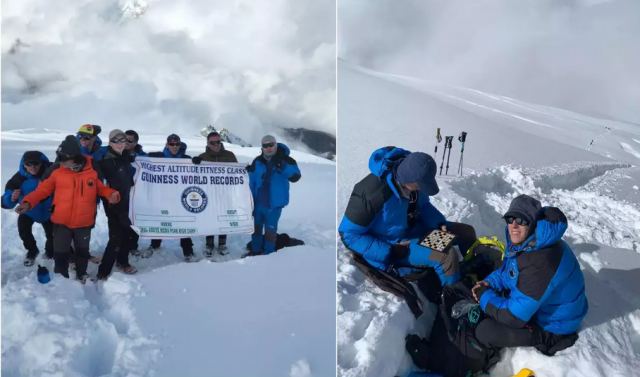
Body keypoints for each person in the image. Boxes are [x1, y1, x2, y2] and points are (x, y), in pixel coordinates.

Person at [338, 147, 477, 286]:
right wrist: (390, 252)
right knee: (445, 256)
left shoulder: (414, 178)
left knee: (466, 232)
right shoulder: (371, 195)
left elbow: (423, 206)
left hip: (419, 234)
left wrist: (439, 224)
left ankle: (475, 273)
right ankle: (454, 296)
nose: (421, 189)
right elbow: (348, 235)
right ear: (408, 180)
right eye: (419, 186)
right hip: (399, 246)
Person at [472, 194, 588, 353]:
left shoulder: (541, 261)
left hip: (555, 326)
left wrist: (483, 296)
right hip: (542, 305)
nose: (514, 225)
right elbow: (509, 272)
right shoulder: (529, 244)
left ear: (533, 224)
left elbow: (513, 317)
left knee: (485, 331)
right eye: (510, 219)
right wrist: (489, 283)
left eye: (521, 220)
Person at [15, 136, 120, 282]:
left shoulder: (92, 171)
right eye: (60, 158)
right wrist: (27, 202)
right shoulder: (57, 173)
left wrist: (111, 194)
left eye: (63, 159)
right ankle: (61, 278)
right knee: (60, 253)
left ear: (75, 157)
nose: (60, 162)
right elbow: (42, 191)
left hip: (84, 222)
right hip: (61, 222)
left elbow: (101, 188)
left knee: (82, 252)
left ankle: (81, 273)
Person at [144, 133, 196, 261]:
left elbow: (196, 172)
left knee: (183, 222)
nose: (174, 146)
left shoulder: (186, 158)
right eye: (172, 144)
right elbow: (140, 160)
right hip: (161, 195)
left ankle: (188, 251)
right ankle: (154, 245)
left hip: (179, 196)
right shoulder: (157, 156)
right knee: (160, 219)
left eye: (177, 144)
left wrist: (197, 163)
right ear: (167, 144)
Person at [246, 135, 301, 256]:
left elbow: (296, 176)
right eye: (265, 146)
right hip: (257, 203)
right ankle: (255, 251)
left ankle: (268, 253)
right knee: (256, 229)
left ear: (276, 145)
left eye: (271, 145)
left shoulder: (286, 160)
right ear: (262, 147)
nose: (269, 148)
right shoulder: (257, 161)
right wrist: (246, 171)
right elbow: (252, 179)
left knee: (270, 230)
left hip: (274, 204)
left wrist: (283, 167)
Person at [96, 129, 138, 279]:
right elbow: (102, 185)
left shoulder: (126, 158)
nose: (120, 144)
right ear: (110, 142)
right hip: (114, 206)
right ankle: (103, 271)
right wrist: (110, 201)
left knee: (127, 234)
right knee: (116, 238)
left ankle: (123, 262)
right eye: (116, 141)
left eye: (123, 141)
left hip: (127, 203)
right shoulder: (105, 161)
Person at [2, 151, 54, 266]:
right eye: (28, 164)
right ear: (23, 165)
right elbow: (4, 203)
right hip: (28, 211)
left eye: (36, 163)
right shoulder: (18, 178)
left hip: (48, 211)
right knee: (24, 232)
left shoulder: (51, 172)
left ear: (42, 163)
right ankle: (32, 251)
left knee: (52, 235)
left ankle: (50, 253)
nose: (32, 167)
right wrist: (11, 198)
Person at [192, 131, 238, 256]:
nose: (216, 145)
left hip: (225, 193)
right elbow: (193, 176)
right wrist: (194, 164)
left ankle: (222, 244)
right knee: (210, 218)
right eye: (213, 143)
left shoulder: (230, 155)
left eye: (218, 142)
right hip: (208, 193)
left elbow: (237, 174)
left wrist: (245, 170)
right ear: (208, 143)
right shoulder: (202, 157)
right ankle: (209, 244)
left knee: (224, 218)